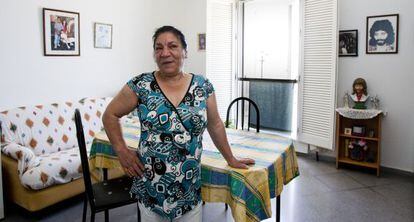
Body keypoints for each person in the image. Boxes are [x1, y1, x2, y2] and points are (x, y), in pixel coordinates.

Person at [102, 26, 255, 222]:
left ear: (185, 51)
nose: (165, 53)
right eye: (159, 48)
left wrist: (231, 158)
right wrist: (122, 150)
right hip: (151, 189)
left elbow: (215, 124)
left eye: (172, 46)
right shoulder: (141, 85)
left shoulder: (203, 86)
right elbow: (110, 115)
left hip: (188, 190)